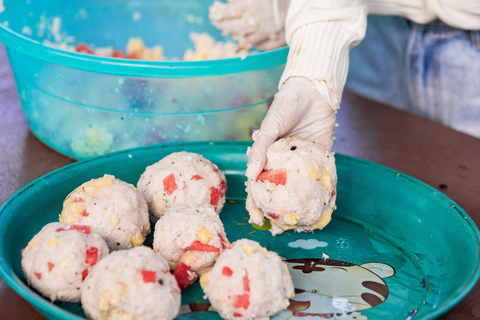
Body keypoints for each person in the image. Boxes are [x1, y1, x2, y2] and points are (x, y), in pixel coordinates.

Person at [209, 0, 480, 180]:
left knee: (466, 186)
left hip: (470, 45)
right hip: (368, 30)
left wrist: (314, 41)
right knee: (376, 186)